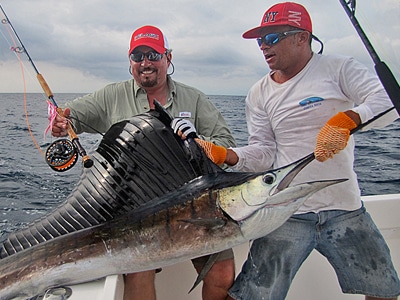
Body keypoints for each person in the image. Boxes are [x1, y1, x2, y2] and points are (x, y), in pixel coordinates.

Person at [194, 2, 400, 300]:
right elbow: (265, 152)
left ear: (302, 37)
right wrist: (229, 156)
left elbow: (388, 100)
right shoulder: (259, 93)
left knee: (384, 290)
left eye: (272, 38)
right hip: (287, 210)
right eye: (260, 40)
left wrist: (349, 120)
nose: (263, 46)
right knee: (252, 296)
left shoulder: (339, 68)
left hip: (344, 206)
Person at [51, 25, 236, 300]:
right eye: (138, 56)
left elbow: (226, 144)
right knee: (138, 271)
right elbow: (71, 115)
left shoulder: (194, 98)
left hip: (194, 205)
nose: (145, 62)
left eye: (153, 54)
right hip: (134, 210)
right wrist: (60, 122)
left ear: (168, 58)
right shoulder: (112, 95)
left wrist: (198, 140)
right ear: (130, 62)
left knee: (222, 272)